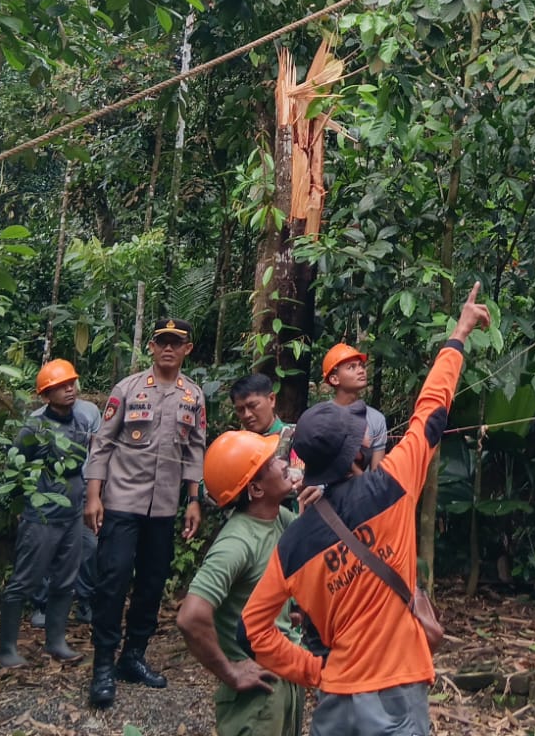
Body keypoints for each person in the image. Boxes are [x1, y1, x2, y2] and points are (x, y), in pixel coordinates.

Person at [241, 283, 490, 736]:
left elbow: (253, 630)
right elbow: (430, 412)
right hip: (397, 685)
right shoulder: (392, 485)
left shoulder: (293, 541)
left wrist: (314, 671)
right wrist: (460, 332)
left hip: (337, 698)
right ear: (356, 446)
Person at [84, 318, 208, 707]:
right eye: (162, 342)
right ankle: (103, 664)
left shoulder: (194, 396)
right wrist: (93, 496)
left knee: (152, 583)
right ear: (151, 347)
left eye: (177, 343)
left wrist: (193, 501)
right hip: (122, 501)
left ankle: (133, 656)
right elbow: (102, 443)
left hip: (165, 507)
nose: (168, 348)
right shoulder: (129, 389)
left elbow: (196, 450)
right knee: (113, 581)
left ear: (188, 349)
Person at [177, 431, 304, 736]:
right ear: (256, 489)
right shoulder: (237, 542)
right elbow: (190, 616)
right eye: (272, 462)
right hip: (258, 694)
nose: (284, 463)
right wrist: (231, 672)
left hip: (284, 677)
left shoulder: (279, 518)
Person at [0, 358, 101, 668]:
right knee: (24, 581)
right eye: (60, 387)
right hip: (42, 518)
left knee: (65, 581)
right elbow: (15, 467)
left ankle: (56, 642)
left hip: (72, 516)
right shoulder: (35, 426)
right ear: (45, 394)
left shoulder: (82, 422)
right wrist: (29, 504)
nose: (69, 390)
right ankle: (6, 649)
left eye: (71, 384)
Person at [318, 343, 387, 469]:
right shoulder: (319, 417)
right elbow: (300, 462)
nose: (361, 370)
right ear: (334, 379)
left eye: (361, 366)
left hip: (362, 487)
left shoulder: (377, 419)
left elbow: (377, 476)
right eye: (351, 367)